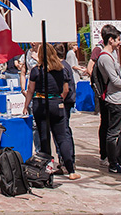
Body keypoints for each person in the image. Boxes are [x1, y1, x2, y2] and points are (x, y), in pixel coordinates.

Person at [22, 43, 80, 180]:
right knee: (62, 138)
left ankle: (46, 169)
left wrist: (26, 105)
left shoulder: (37, 70)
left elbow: (30, 89)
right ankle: (70, 169)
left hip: (40, 104)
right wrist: (59, 99)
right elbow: (66, 90)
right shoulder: (61, 69)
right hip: (57, 103)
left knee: (44, 137)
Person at [97, 24, 121, 174]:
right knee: (113, 132)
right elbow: (115, 80)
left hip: (120, 98)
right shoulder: (105, 57)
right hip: (114, 99)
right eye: (118, 40)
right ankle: (113, 163)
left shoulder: (113, 55)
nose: (120, 43)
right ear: (110, 40)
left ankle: (118, 158)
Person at [86, 35, 109, 166]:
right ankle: (104, 154)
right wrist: (98, 84)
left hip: (113, 93)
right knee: (105, 122)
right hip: (103, 92)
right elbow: (90, 68)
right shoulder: (98, 50)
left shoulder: (113, 52)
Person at [56, 44, 77, 163]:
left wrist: (60, 100)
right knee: (65, 130)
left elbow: (66, 89)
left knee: (63, 131)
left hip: (65, 102)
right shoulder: (65, 65)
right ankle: (67, 158)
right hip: (68, 101)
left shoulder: (62, 67)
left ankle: (67, 159)